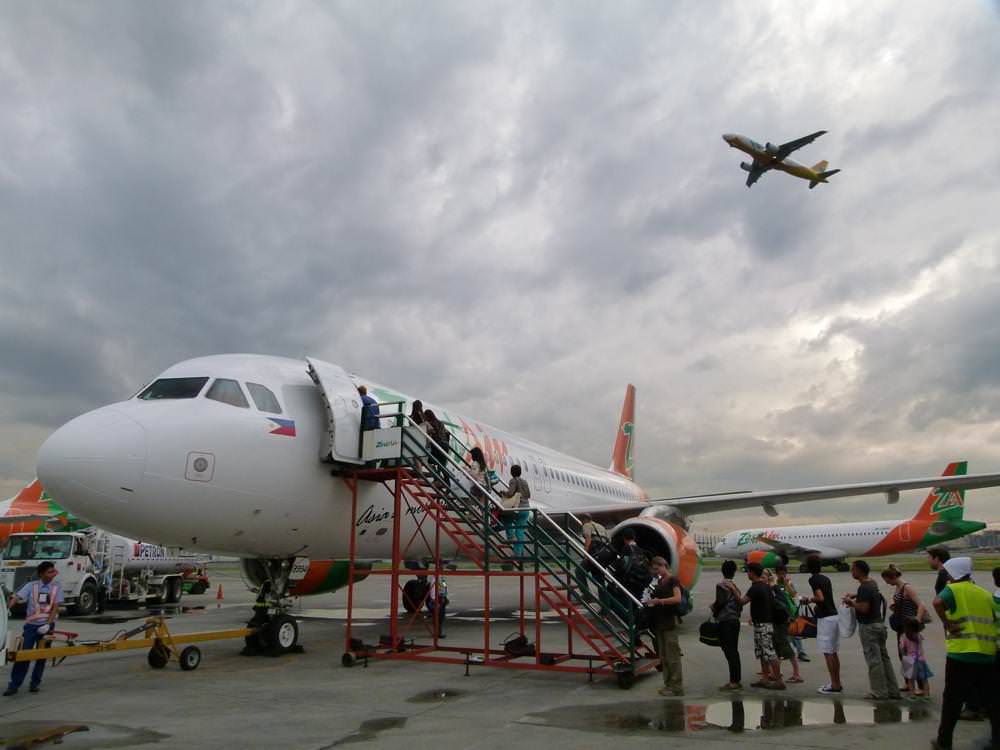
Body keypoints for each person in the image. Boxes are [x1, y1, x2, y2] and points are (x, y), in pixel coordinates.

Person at [931, 557, 999, 750]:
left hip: (961, 654)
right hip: (987, 655)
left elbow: (937, 602)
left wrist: (947, 622)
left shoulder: (953, 589)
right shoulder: (985, 593)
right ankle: (996, 740)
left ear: (954, 574)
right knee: (993, 702)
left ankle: (944, 742)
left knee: (952, 701)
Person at [843, 559, 900, 701]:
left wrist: (851, 602)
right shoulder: (872, 583)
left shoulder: (864, 587)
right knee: (884, 658)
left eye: (853, 569)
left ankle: (879, 692)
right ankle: (893, 690)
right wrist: (857, 596)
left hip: (869, 627)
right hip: (879, 625)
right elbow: (871, 596)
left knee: (874, 660)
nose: (851, 571)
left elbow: (864, 608)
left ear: (859, 571)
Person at [5, 561, 63, 696]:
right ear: (41, 573)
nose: (53, 574)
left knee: (41, 656)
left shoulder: (56, 587)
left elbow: (55, 607)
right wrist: (7, 608)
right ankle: (14, 685)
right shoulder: (31, 586)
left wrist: (48, 624)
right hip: (31, 627)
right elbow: (17, 597)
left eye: (53, 571)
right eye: (50, 572)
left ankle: (35, 683)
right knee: (23, 655)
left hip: (47, 627)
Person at [738, 562, 784, 690]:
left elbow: (742, 602)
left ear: (752, 573)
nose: (747, 573)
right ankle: (765, 678)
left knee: (769, 652)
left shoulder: (755, 587)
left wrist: (732, 589)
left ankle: (778, 680)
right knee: (762, 652)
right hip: (765, 623)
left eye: (748, 571)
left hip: (763, 624)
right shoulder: (765, 586)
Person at [882, 563, 928, 689]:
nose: (886, 583)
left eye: (886, 580)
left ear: (890, 577)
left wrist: (916, 622)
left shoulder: (907, 588)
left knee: (912, 656)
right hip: (902, 626)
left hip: (908, 627)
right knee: (903, 655)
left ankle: (920, 686)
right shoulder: (898, 588)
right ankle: (909, 683)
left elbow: (921, 605)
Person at [642, 556, 683, 696]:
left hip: (669, 620)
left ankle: (677, 686)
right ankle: (668, 684)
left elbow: (678, 598)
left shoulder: (673, 580)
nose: (657, 571)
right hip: (659, 621)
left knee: (673, 656)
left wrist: (660, 601)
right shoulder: (659, 581)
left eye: (658, 568)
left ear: (664, 565)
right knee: (664, 656)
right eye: (655, 569)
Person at [802, 555, 843, 695]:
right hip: (834, 616)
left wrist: (809, 599)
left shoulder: (813, 579)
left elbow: (820, 597)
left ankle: (835, 685)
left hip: (825, 618)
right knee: (834, 652)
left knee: (828, 653)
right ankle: (836, 682)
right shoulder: (825, 578)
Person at [712, 559, 743, 690]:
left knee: (729, 651)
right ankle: (736, 679)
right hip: (735, 620)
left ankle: (734, 682)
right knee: (734, 651)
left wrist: (714, 609)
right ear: (734, 572)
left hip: (725, 621)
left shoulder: (721, 585)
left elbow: (720, 602)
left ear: (722, 570)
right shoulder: (735, 586)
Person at [772, 566, 803, 683]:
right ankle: (776, 671)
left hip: (789, 616)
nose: (782, 576)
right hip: (779, 617)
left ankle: (796, 672)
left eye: (784, 574)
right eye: (780, 574)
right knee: (779, 645)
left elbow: (794, 594)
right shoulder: (774, 584)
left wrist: (787, 584)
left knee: (786, 644)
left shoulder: (788, 583)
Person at [575, 513, 610, 601]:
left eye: (581, 521)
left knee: (579, 570)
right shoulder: (601, 526)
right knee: (600, 581)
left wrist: (585, 553)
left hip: (594, 556)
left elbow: (588, 538)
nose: (581, 523)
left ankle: (586, 594)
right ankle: (605, 606)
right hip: (602, 556)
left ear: (584, 520)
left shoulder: (587, 525)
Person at [498, 464, 531, 557]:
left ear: (512, 473)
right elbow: (528, 495)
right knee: (520, 531)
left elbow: (510, 493)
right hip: (526, 509)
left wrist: (503, 492)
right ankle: (518, 553)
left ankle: (510, 537)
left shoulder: (513, 481)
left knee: (505, 517)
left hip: (517, 508)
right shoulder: (524, 482)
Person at [900, 617, 933, 699]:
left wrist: (904, 657)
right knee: (924, 679)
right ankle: (927, 696)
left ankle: (912, 695)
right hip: (920, 659)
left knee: (910, 680)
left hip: (909, 659)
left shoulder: (903, 636)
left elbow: (902, 648)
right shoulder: (919, 635)